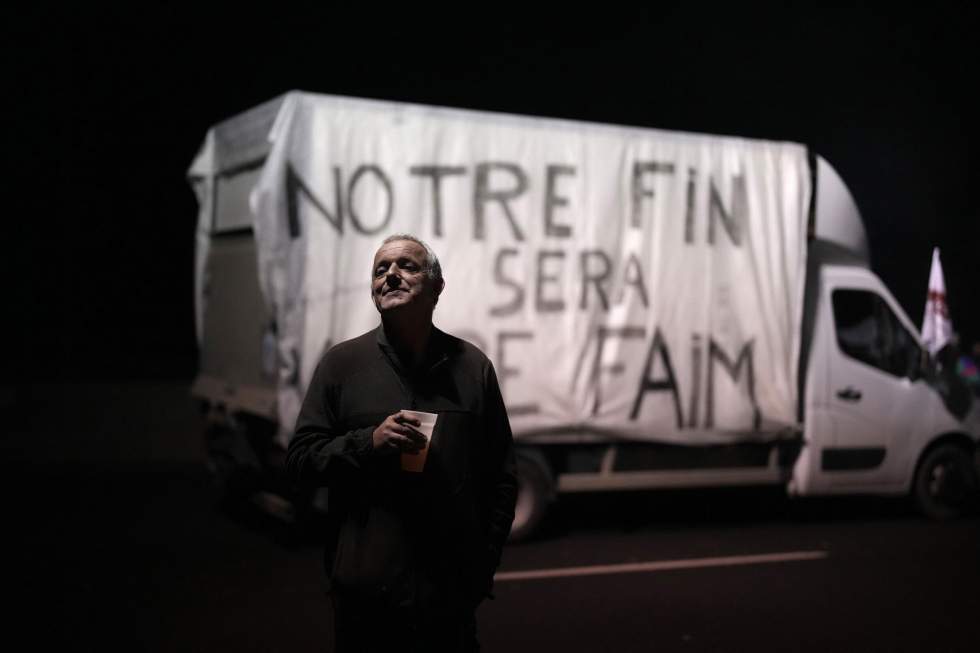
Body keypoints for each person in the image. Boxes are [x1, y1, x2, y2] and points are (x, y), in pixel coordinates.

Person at [287, 234, 518, 652]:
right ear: (373, 289)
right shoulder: (342, 365)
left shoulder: (472, 368)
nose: (391, 275)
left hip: (446, 600)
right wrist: (367, 443)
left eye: (407, 266)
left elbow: (501, 476)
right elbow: (301, 462)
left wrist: (482, 568)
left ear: (437, 286)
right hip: (365, 599)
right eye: (381, 269)